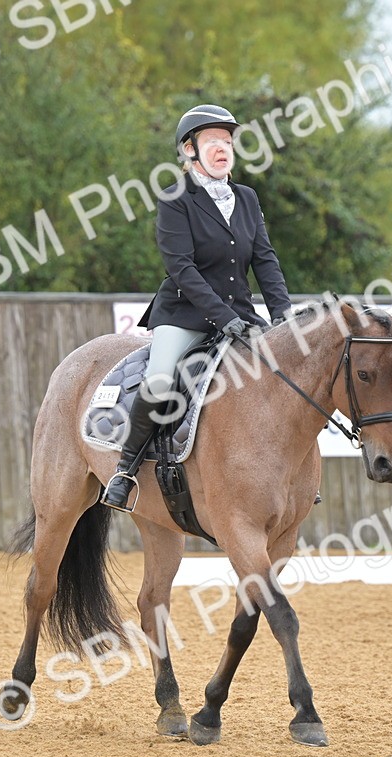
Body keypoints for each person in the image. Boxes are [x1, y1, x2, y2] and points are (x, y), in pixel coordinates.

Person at [102, 103, 292, 511]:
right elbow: (182, 268)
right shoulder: (176, 198)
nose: (223, 148)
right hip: (184, 314)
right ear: (189, 151)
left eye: (228, 141)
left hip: (240, 314)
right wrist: (224, 319)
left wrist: (282, 315)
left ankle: (288, 476)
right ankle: (125, 470)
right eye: (212, 142)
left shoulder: (246, 197)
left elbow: (265, 259)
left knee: (286, 375)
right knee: (157, 383)